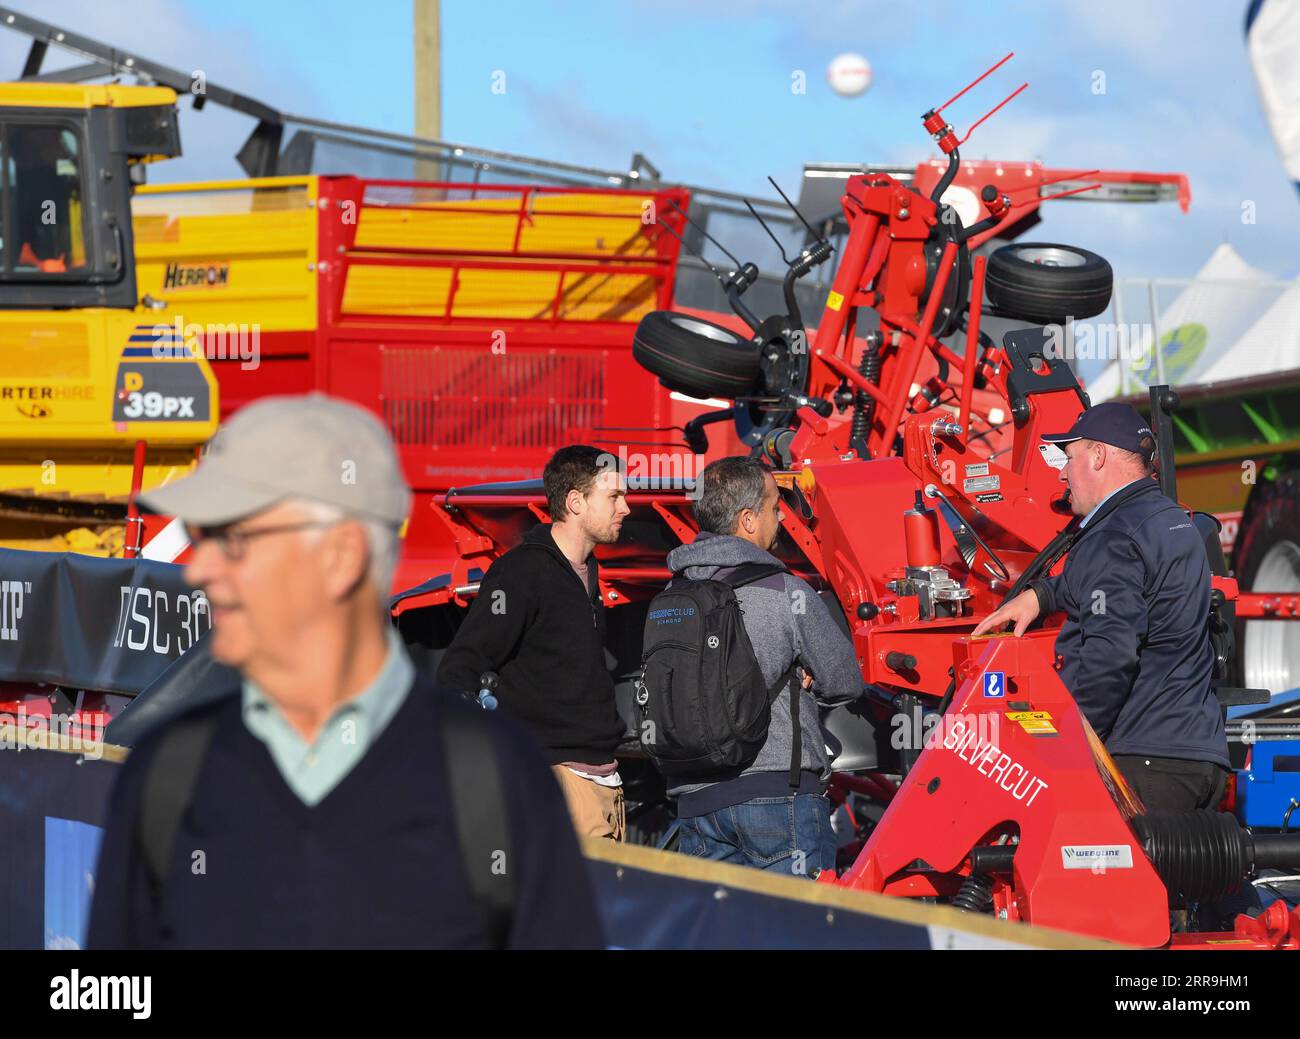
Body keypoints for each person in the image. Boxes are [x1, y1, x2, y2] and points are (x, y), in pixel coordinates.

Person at [88, 393, 603, 949]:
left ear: (340, 556)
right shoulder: (167, 777)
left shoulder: (499, 782)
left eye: (232, 541)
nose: (202, 572)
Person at [971, 401, 1230, 812]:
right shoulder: (1173, 521)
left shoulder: (1112, 535)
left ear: (1098, 455)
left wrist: (1063, 745)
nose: (1061, 473)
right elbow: (1119, 588)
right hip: (1198, 756)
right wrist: (1041, 595)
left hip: (1142, 763)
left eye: (1068, 458)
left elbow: (1110, 656)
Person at [664, 457, 863, 876]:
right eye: (775, 507)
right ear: (748, 520)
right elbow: (844, 680)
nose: (781, 518)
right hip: (778, 796)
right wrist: (806, 677)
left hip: (695, 803)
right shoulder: (784, 591)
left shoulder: (670, 596)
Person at [438, 445, 630, 841]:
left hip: (604, 786)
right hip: (558, 784)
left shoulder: (588, 572)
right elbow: (460, 669)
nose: (626, 507)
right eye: (614, 496)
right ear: (575, 502)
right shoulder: (522, 572)